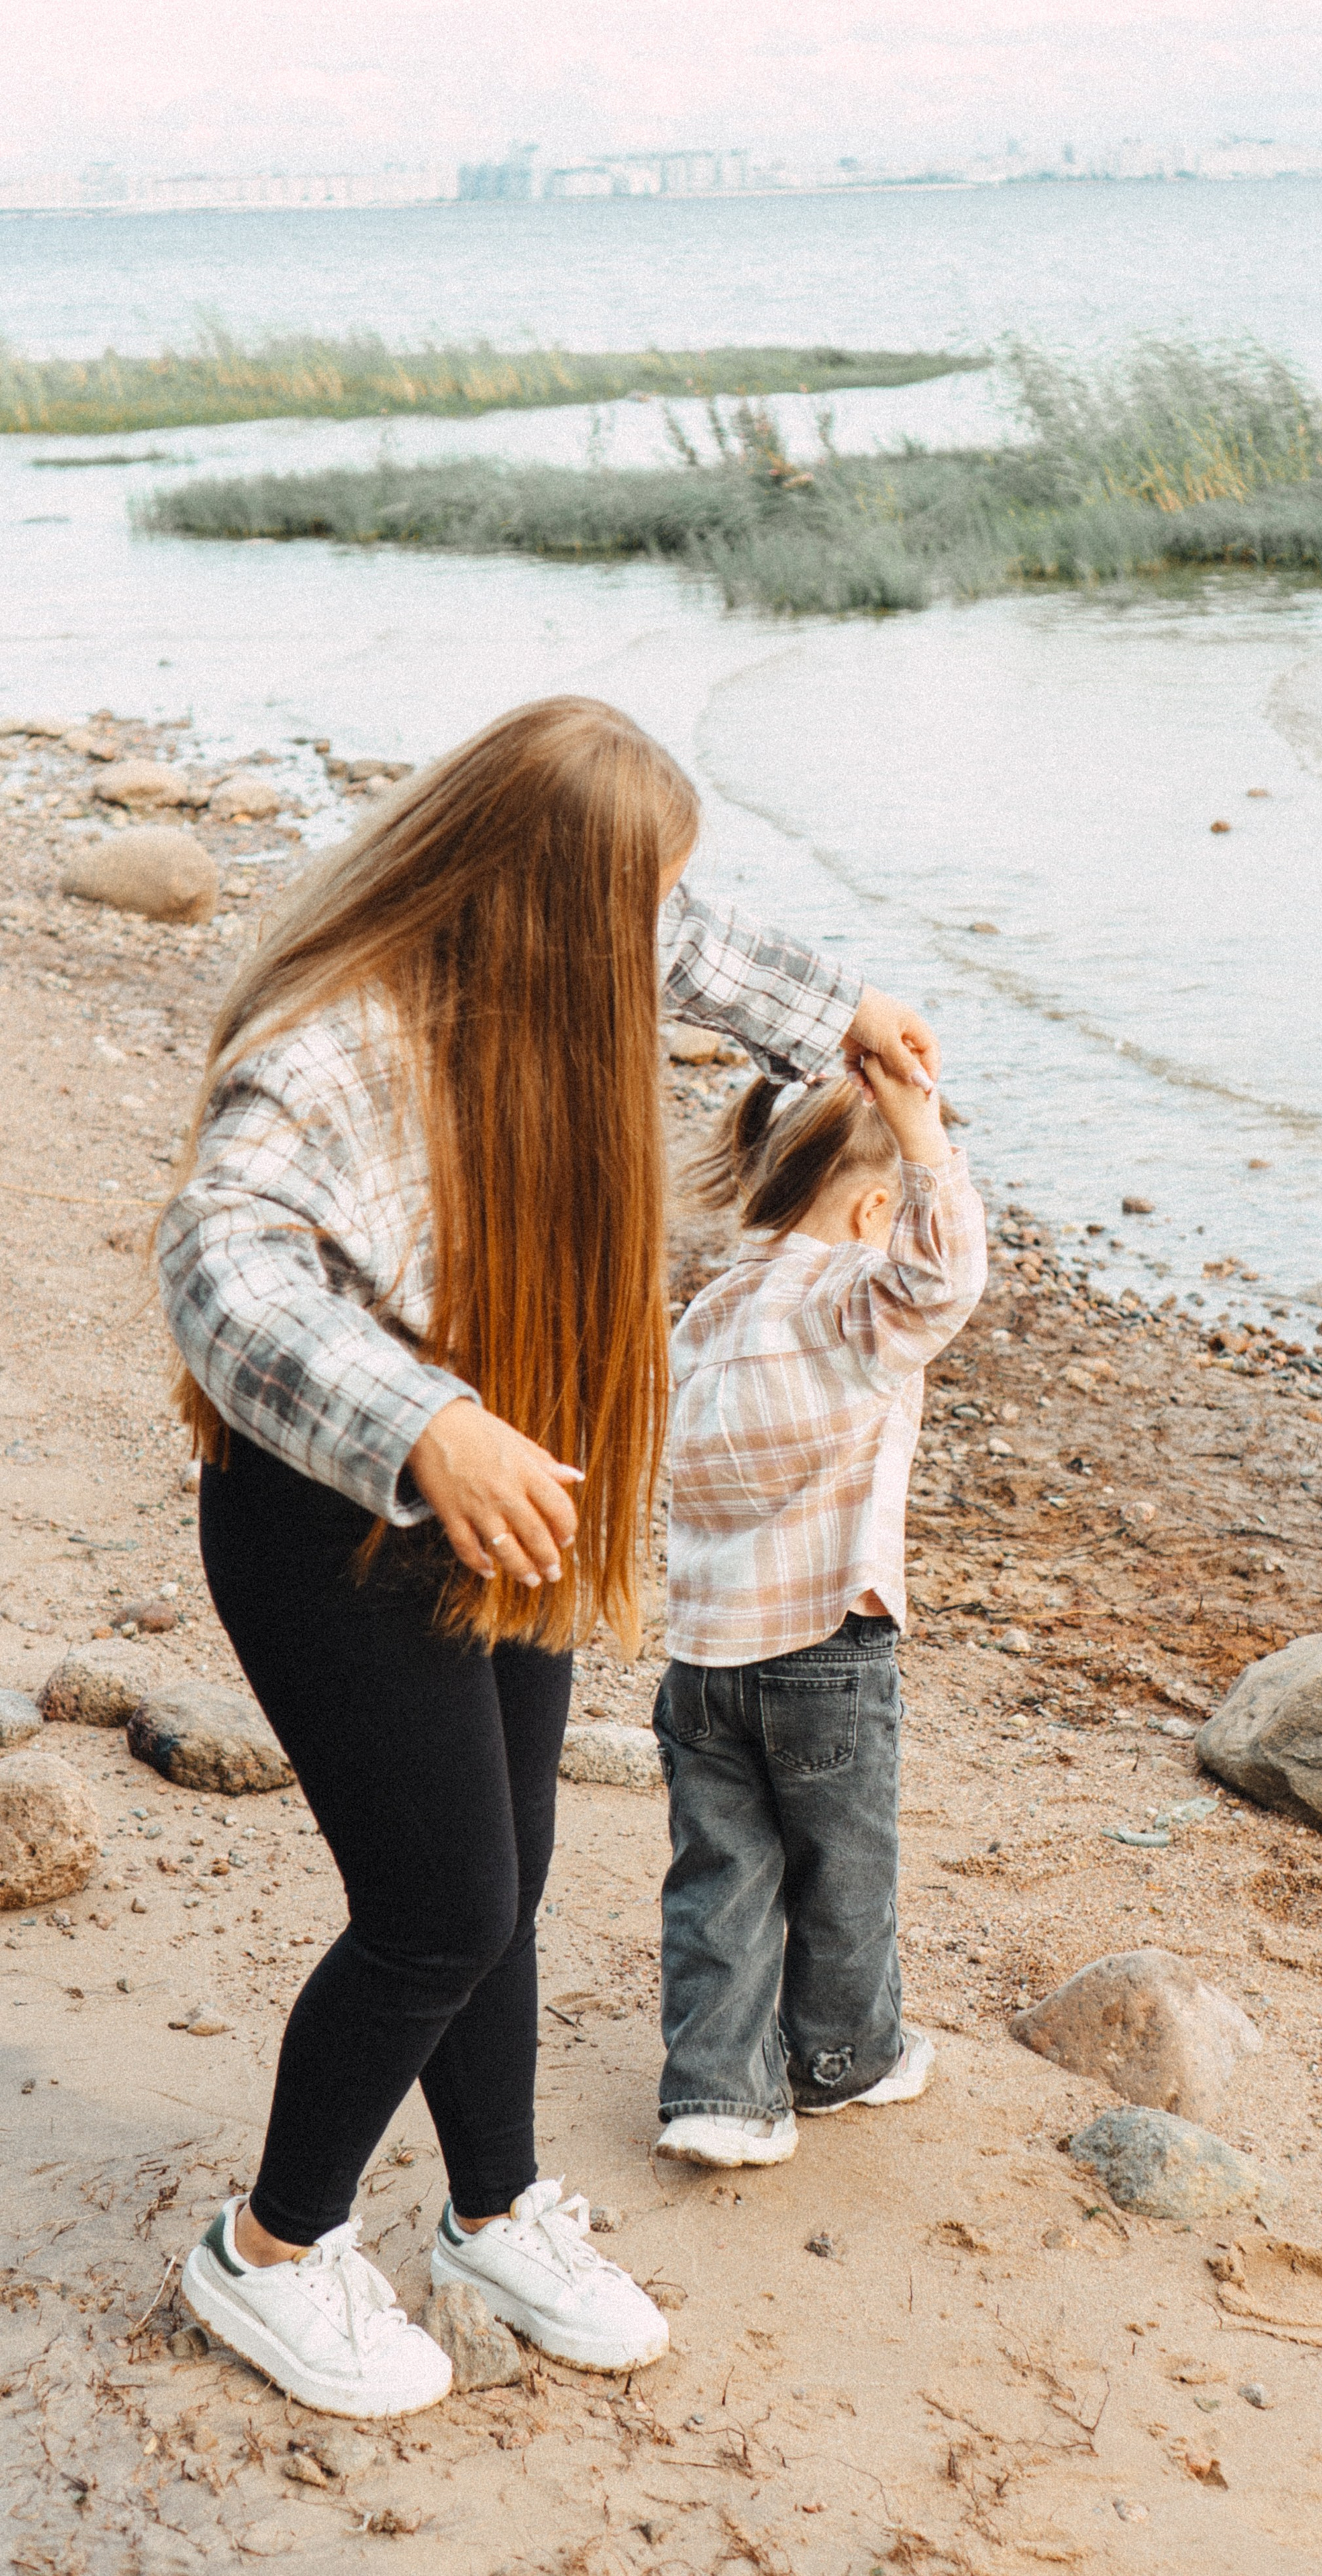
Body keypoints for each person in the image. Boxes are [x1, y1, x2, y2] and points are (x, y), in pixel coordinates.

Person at [154, 696, 939, 2418]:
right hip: (340, 1518)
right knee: (434, 1910)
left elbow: (691, 937)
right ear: (527, 893)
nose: (652, 936)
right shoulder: (341, 1039)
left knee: (502, 1883)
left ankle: (494, 2211)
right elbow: (225, 1262)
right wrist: (422, 1423)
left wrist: (840, 1016)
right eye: (631, 901)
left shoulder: (548, 937)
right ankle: (271, 2251)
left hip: (503, 1502)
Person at [650, 1057, 986, 2169]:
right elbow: (947, 1279)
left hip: (702, 1658)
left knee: (721, 1874)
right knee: (843, 1870)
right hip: (828, 1651)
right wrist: (922, 1129)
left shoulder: (709, 1310)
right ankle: (839, 2060)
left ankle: (714, 2093)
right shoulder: (853, 1297)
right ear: (877, 1208)